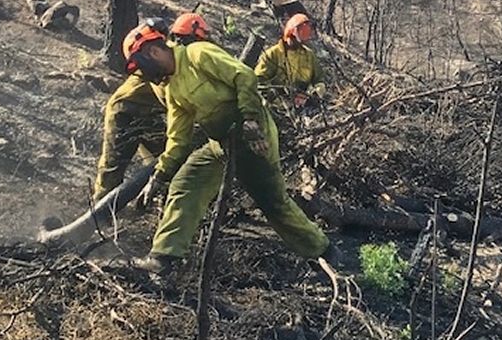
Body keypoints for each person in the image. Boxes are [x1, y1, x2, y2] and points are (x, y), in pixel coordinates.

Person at [120, 20, 341, 274]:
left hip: (253, 134)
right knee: (187, 183)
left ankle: (325, 251)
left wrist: (249, 119)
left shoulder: (197, 53)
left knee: (273, 203)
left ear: (153, 52)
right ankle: (163, 258)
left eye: (144, 68)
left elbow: (244, 75)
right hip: (221, 143)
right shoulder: (173, 87)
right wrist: (159, 177)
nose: (146, 76)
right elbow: (178, 138)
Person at [91, 18, 169, 202]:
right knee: (113, 168)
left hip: (150, 114)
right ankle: (100, 213)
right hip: (123, 112)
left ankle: (159, 200)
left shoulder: (166, 56)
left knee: (168, 159)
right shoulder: (157, 63)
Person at [254, 13, 326, 116]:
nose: (299, 43)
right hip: (276, 109)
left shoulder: (309, 55)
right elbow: (259, 83)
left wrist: (311, 95)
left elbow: (319, 80)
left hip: (303, 107)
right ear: (289, 34)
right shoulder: (272, 55)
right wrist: (281, 103)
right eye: (296, 38)